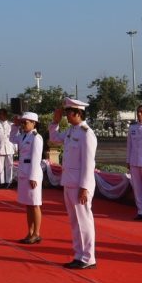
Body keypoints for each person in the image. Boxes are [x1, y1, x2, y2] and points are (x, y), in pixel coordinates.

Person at [49, 98, 98, 269]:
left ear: (78, 113)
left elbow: (88, 163)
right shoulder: (71, 131)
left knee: (84, 221)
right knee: (75, 222)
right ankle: (79, 255)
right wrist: (55, 122)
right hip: (69, 182)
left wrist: (85, 187)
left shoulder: (87, 134)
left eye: (69, 112)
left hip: (80, 184)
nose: (67, 115)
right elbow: (54, 138)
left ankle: (88, 258)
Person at [15, 112, 44, 244]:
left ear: (34, 123)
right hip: (23, 172)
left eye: (26, 122)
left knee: (35, 204)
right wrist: (15, 126)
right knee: (28, 205)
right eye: (22, 122)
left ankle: (36, 233)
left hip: (32, 173)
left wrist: (33, 177)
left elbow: (36, 159)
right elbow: (11, 138)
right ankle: (30, 232)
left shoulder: (36, 138)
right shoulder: (23, 136)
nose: (23, 124)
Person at [0, 109, 16, 187]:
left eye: (2, 114)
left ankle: (9, 182)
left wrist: (16, 147)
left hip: (10, 147)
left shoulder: (11, 125)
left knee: (10, 166)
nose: (0, 115)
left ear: (6, 115)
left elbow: (15, 136)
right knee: (0, 166)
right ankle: (1, 182)